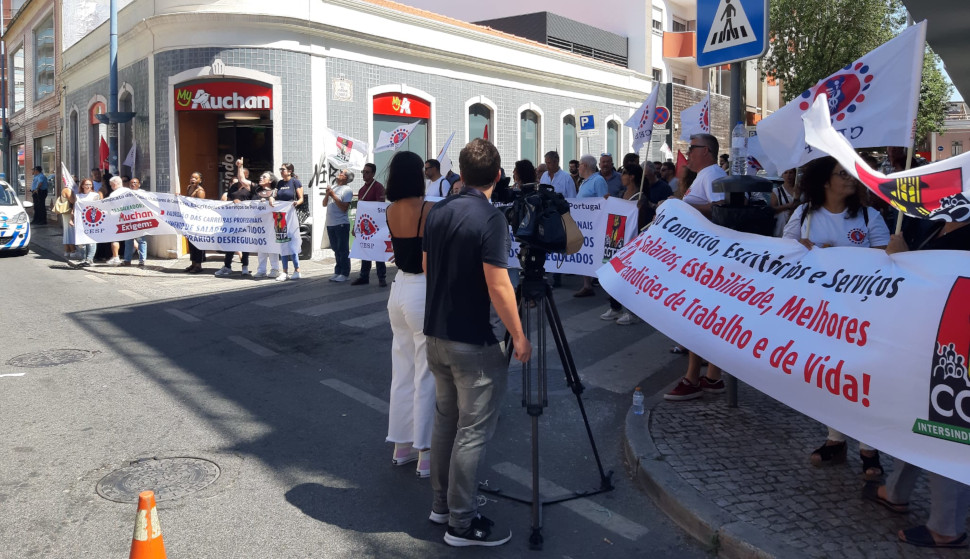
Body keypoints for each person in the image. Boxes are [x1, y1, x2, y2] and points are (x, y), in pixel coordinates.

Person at [423, 138, 532, 547]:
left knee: (446, 420)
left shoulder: (438, 209)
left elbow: (426, 265)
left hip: (436, 334)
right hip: (473, 339)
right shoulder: (490, 218)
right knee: (472, 431)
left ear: (461, 174)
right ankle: (462, 524)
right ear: (498, 177)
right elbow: (498, 282)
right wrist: (519, 336)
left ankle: (441, 505)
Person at [862, 221, 970, 549]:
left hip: (956, 344)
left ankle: (946, 527)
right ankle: (896, 491)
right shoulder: (937, 223)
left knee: (947, 428)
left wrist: (909, 261)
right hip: (926, 340)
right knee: (915, 417)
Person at [781, 156, 889, 474]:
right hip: (821, 312)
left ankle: (869, 450)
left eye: (851, 174)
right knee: (830, 377)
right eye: (843, 174)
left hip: (861, 311)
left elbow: (885, 259)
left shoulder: (869, 217)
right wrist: (805, 247)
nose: (850, 179)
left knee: (860, 378)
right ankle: (835, 439)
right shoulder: (804, 214)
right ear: (826, 181)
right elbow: (784, 251)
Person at [381, 151, 436, 478]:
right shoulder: (428, 209)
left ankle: (401, 446)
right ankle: (425, 452)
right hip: (421, 288)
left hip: (398, 289)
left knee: (401, 370)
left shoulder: (390, 210)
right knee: (425, 373)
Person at [665, 133, 727, 400]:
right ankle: (711, 375)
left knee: (696, 318)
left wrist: (680, 207)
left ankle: (694, 377)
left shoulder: (712, 174)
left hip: (705, 258)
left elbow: (720, 208)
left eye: (692, 148)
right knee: (702, 319)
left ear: (708, 151)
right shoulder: (705, 175)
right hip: (699, 256)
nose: (688, 152)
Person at [601, 162, 645, 325]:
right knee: (614, 274)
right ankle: (615, 307)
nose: (622, 177)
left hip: (632, 244)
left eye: (624, 174)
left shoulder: (641, 198)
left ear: (632, 177)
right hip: (616, 241)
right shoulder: (620, 195)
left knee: (629, 278)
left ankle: (633, 312)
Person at [574, 154, 608, 298]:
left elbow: (604, 201)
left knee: (597, 254)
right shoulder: (584, 182)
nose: (578, 167)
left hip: (594, 224)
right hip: (584, 224)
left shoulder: (598, 180)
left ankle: (607, 285)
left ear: (586, 166)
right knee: (584, 252)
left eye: (580, 164)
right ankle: (587, 285)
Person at [215, 160, 254, 277]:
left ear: (245, 176)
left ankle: (245, 266)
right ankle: (227, 266)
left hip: (245, 221)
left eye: (241, 173)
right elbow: (227, 201)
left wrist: (241, 203)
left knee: (244, 244)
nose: (238, 176)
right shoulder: (232, 188)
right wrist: (233, 202)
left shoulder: (250, 188)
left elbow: (254, 203)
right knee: (230, 244)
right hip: (232, 220)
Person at [352, 162, 388, 287]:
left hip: (376, 225)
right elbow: (360, 210)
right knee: (365, 250)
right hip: (364, 225)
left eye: (367, 172)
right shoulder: (362, 190)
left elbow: (380, 205)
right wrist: (355, 226)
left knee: (378, 251)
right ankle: (364, 276)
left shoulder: (378, 187)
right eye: (363, 172)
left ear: (373, 174)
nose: (364, 174)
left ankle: (381, 277)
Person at [275, 163, 304, 281]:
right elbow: (275, 195)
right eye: (280, 169)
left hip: (290, 215)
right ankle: (284, 271)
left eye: (283, 169)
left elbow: (301, 198)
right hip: (280, 216)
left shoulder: (295, 182)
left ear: (290, 171)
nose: (281, 171)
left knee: (292, 242)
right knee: (282, 241)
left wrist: (297, 203)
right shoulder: (280, 183)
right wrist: (271, 198)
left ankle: (297, 270)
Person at [323, 168, 353, 282]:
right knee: (336, 249)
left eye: (342, 173)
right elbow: (324, 203)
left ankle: (345, 273)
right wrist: (328, 194)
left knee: (343, 249)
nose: (338, 174)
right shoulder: (334, 187)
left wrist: (333, 195)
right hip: (331, 223)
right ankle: (338, 271)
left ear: (346, 178)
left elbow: (344, 208)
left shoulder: (347, 190)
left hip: (341, 223)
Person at [251, 170, 281, 278]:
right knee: (261, 247)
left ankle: (275, 269)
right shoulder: (256, 191)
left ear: (270, 180)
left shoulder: (276, 192)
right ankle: (261, 270)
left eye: (264, 177)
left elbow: (280, 206)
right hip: (259, 224)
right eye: (261, 176)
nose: (261, 178)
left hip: (272, 224)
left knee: (272, 246)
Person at [72, 179, 101, 267]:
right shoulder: (78, 196)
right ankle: (83, 257)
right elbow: (74, 208)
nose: (88, 186)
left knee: (91, 240)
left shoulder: (95, 195)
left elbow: (99, 206)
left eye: (90, 184)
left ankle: (89, 259)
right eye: (86, 184)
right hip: (80, 220)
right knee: (81, 241)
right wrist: (71, 218)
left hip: (91, 221)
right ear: (82, 186)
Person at [121, 178, 149, 266]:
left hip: (140, 221)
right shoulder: (126, 194)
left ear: (139, 184)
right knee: (128, 241)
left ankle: (142, 260)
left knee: (141, 241)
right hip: (129, 221)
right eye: (131, 183)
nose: (133, 184)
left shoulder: (143, 193)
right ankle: (127, 260)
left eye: (135, 183)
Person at [184, 171, 207, 273]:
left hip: (197, 220)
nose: (193, 179)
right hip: (189, 219)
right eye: (191, 177)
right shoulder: (189, 188)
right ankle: (193, 263)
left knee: (197, 243)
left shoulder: (200, 191)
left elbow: (200, 207)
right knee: (191, 242)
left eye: (195, 178)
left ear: (200, 180)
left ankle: (198, 265)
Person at [104, 176, 130, 265]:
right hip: (128, 218)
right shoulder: (128, 191)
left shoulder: (113, 195)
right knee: (131, 237)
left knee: (114, 238)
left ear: (115, 184)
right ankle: (140, 253)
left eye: (111, 185)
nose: (111, 187)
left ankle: (115, 257)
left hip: (116, 219)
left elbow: (110, 207)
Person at [770, 168, 800, 237]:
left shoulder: (800, 191)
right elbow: (772, 209)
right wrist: (787, 206)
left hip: (797, 224)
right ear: (782, 175)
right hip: (781, 225)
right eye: (786, 173)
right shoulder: (776, 191)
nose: (788, 175)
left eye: (791, 173)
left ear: (795, 174)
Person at [52, 180, 75, 258]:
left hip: (67, 213)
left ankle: (67, 250)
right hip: (68, 213)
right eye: (76, 181)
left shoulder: (68, 189)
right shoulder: (67, 190)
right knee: (69, 231)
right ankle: (72, 250)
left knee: (67, 231)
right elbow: (73, 201)